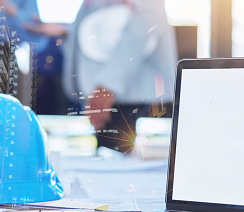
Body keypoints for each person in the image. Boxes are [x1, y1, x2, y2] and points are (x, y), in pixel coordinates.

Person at [27, 0, 177, 154]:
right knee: (109, 159)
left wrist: (107, 86)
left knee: (120, 164)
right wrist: (67, 32)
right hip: (111, 93)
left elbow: (142, 27)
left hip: (126, 95)